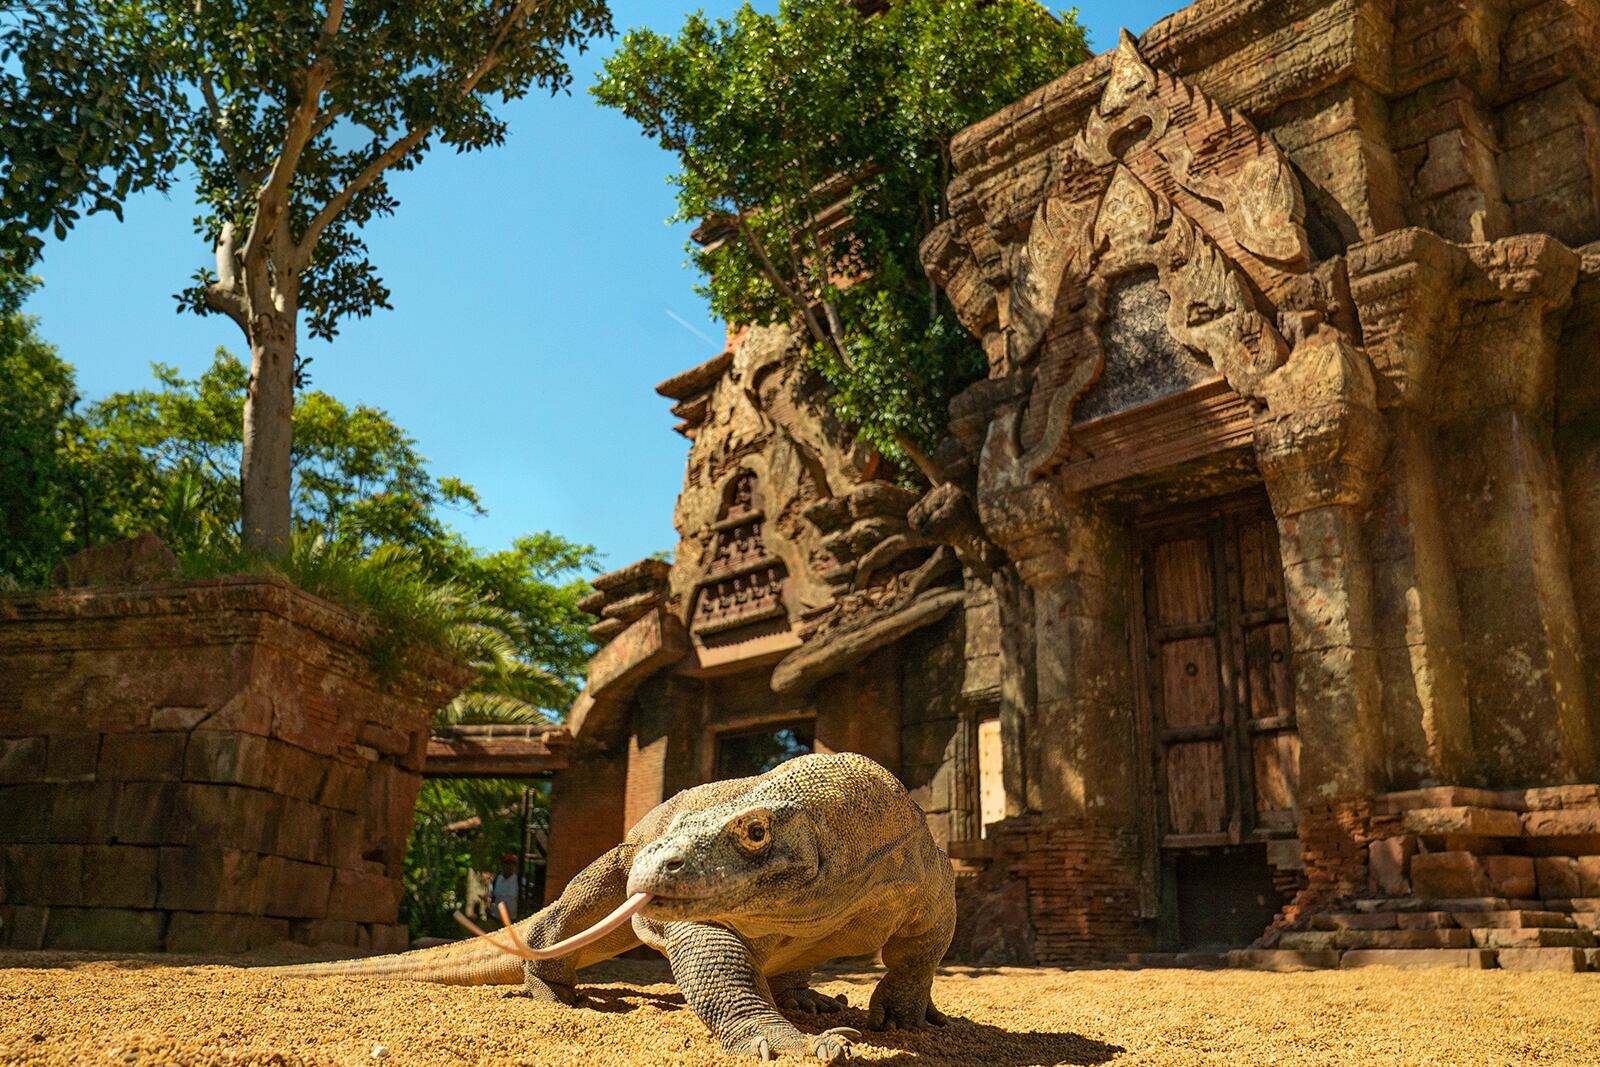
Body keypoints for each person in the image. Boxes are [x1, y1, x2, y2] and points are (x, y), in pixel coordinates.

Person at [489, 853, 521, 921]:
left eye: (512, 864)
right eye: (507, 863)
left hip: (513, 922)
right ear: (503, 865)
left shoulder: (520, 881)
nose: (509, 866)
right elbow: (490, 897)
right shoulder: (496, 879)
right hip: (496, 919)